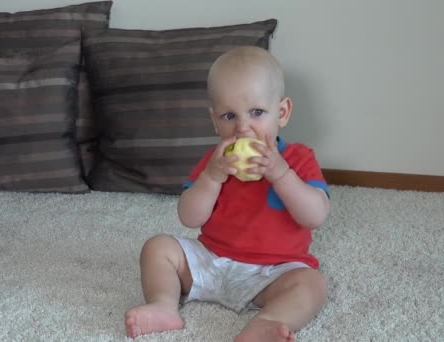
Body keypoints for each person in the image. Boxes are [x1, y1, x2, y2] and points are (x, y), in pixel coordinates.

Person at [124, 46, 331, 342]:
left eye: (257, 112)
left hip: (273, 271)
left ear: (282, 113)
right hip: (211, 260)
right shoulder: (215, 161)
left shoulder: (298, 159)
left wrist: (281, 174)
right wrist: (211, 177)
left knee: (313, 284)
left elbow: (315, 215)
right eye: (229, 116)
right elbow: (189, 217)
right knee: (157, 248)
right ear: (214, 121)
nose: (243, 127)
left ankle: (267, 322)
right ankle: (163, 305)